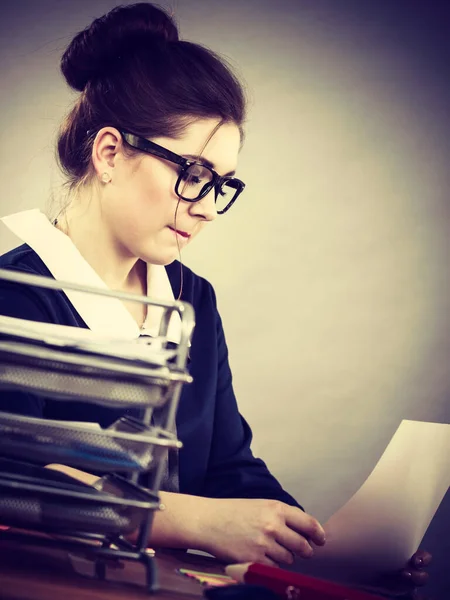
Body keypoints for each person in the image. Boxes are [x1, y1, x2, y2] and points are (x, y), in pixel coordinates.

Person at [0, 2, 430, 595]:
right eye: (194, 173)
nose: (205, 207)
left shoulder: (192, 297)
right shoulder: (16, 295)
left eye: (221, 185)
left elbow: (229, 467)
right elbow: (8, 476)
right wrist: (190, 519)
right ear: (108, 154)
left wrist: (313, 546)